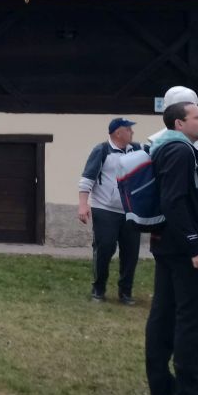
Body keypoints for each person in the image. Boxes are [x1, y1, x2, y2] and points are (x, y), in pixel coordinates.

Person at [145, 101, 198, 395]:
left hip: (167, 246)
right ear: (179, 124)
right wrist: (196, 247)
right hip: (185, 251)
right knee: (190, 320)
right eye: (197, 117)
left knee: (163, 315)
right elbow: (174, 202)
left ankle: (161, 386)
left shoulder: (165, 149)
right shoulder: (179, 152)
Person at [78, 117, 143, 304]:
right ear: (118, 133)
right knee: (105, 248)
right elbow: (87, 178)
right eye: (128, 129)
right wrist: (83, 204)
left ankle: (125, 292)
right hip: (104, 208)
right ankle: (98, 289)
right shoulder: (102, 150)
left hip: (131, 211)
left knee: (131, 252)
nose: (132, 132)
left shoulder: (138, 149)